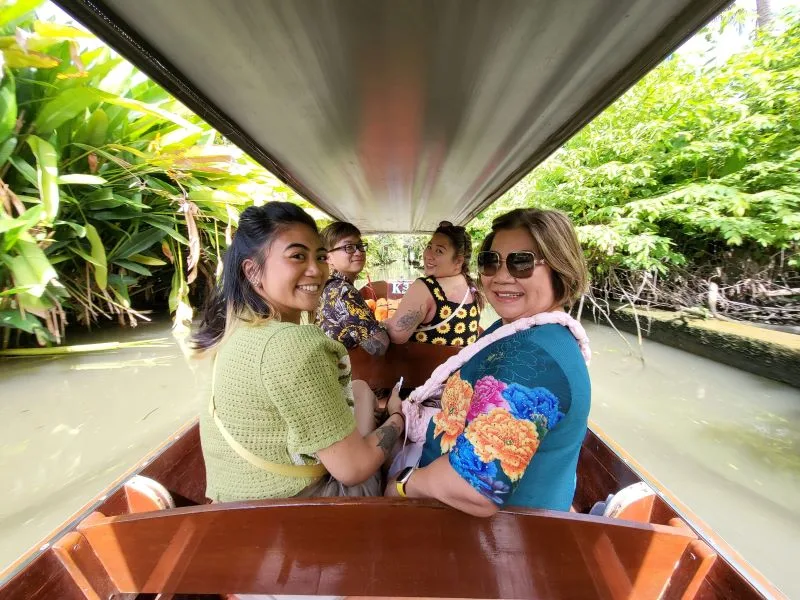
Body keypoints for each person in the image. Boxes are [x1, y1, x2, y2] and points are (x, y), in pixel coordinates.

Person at [193, 202, 403, 502]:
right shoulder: (293, 344)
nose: (316, 270)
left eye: (319, 256)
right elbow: (353, 470)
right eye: (297, 256)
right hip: (298, 513)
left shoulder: (232, 333)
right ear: (253, 271)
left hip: (234, 510)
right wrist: (397, 417)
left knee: (358, 388)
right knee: (400, 462)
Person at [388, 208, 591, 516]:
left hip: (496, 538)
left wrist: (403, 484)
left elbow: (471, 487)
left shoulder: (533, 357)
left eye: (521, 262)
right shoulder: (519, 328)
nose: (501, 276)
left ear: (560, 266)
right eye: (490, 262)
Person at [384, 221, 482, 346]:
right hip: (463, 365)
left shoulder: (425, 287)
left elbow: (396, 335)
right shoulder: (471, 286)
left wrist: (384, 323)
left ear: (458, 261)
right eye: (429, 247)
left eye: (439, 251)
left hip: (428, 365)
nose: (428, 255)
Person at [316, 221, 389, 356]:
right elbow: (379, 347)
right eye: (349, 247)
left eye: (360, 246)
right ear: (328, 257)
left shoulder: (326, 286)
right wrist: (386, 325)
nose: (359, 252)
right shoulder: (343, 291)